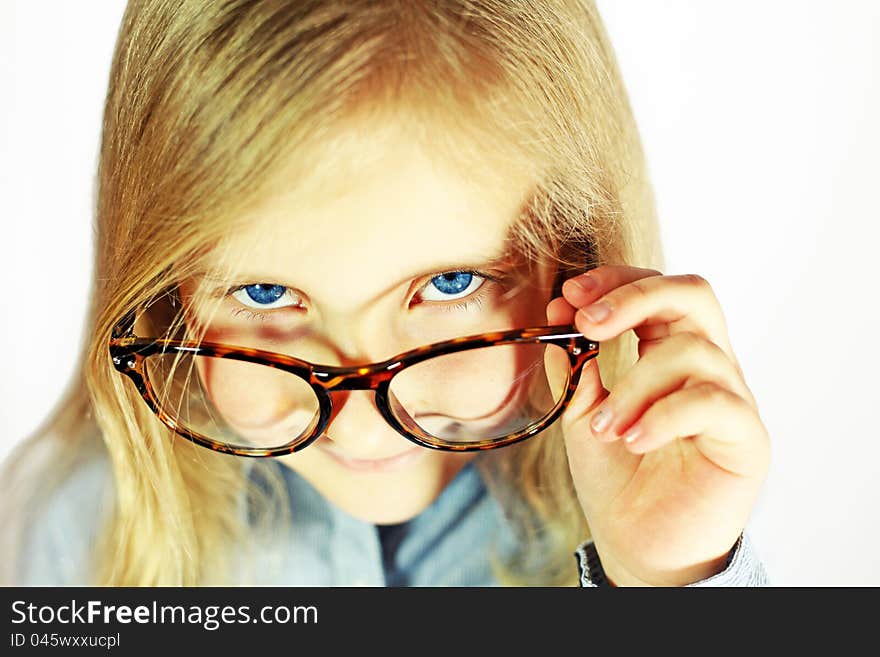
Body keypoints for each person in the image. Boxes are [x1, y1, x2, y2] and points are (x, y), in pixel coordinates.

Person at [0, 0, 770, 587]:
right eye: (266, 292)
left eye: (451, 283)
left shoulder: (654, 495)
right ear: (171, 287)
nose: (365, 429)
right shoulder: (80, 526)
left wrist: (666, 580)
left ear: (573, 260)